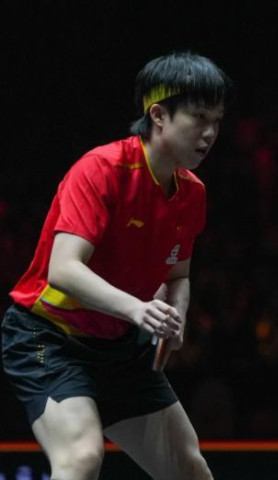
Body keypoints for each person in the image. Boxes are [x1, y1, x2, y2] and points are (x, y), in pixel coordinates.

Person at [1, 51, 232, 479]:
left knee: (190, 470)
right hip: (49, 336)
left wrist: (176, 315)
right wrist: (137, 310)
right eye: (199, 117)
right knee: (81, 457)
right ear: (158, 115)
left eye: (217, 120)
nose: (210, 133)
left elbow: (178, 274)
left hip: (119, 347)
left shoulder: (191, 194)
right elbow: (63, 270)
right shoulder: (102, 170)